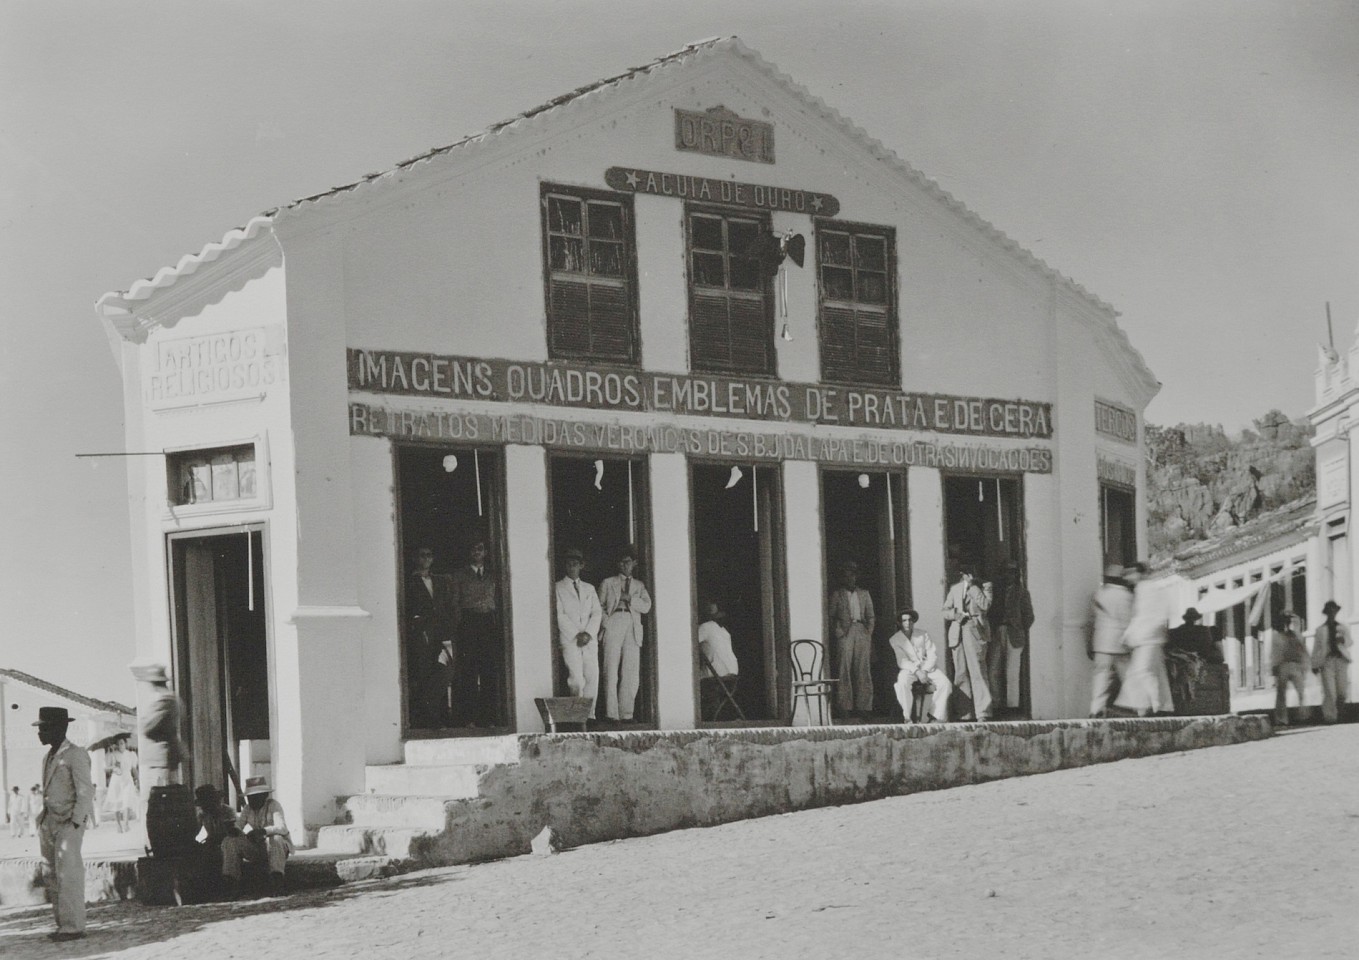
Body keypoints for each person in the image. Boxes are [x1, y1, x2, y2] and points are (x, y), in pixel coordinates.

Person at [33, 706, 93, 942]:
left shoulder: (75, 754)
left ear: (59, 729)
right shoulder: (48, 757)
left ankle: (74, 927)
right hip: (49, 822)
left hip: (69, 822)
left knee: (69, 875)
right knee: (52, 875)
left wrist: (76, 823)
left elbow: (85, 791)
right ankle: (62, 925)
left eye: (44, 729)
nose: (39, 733)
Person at [450, 539, 502, 727]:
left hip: (488, 622)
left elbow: (498, 600)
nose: (477, 552)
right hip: (469, 622)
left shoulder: (492, 575)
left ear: (485, 553)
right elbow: (455, 602)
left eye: (480, 549)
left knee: (489, 670)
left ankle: (489, 718)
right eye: (473, 549)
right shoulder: (460, 575)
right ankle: (469, 718)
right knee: (469, 671)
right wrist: (458, 627)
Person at [598, 546, 653, 723]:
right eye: (621, 562)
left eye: (628, 562)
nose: (625, 565)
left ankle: (627, 713)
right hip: (615, 619)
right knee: (611, 668)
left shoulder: (639, 585)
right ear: (617, 564)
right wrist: (607, 622)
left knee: (630, 670)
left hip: (632, 624)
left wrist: (630, 599)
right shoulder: (608, 582)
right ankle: (611, 713)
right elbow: (599, 606)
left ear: (634, 564)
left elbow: (646, 606)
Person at [406, 545, 455, 728]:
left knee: (444, 670)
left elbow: (447, 606)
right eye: (422, 555)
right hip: (422, 635)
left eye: (429, 555)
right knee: (424, 674)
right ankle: (427, 719)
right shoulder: (410, 582)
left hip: (440, 633)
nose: (426, 559)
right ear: (415, 558)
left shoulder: (440, 581)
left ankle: (440, 715)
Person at [1114, 563, 1172, 716]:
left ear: (1139, 573)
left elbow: (1152, 615)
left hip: (1148, 638)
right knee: (1151, 672)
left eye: (1131, 573)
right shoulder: (1143, 589)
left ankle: (1154, 706)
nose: (1128, 577)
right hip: (1148, 638)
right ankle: (1155, 706)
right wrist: (1128, 636)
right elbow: (1139, 616)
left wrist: (1134, 635)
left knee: (1143, 672)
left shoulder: (1148, 588)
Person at [221, 776, 292, 897]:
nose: (252, 800)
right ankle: (231, 884)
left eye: (256, 796)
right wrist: (234, 830)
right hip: (258, 849)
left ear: (264, 796)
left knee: (275, 838)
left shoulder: (274, 806)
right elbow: (239, 825)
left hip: (277, 849)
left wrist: (264, 831)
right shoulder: (248, 809)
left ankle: (277, 883)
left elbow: (282, 828)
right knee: (230, 841)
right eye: (250, 797)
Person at [554, 547, 602, 719]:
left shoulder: (589, 589)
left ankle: (590, 715)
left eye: (576, 564)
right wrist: (577, 634)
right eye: (569, 564)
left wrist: (588, 633)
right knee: (576, 678)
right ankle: (578, 716)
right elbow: (560, 614)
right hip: (571, 639)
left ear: (581, 566)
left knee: (592, 675)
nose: (572, 567)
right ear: (565, 566)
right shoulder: (558, 587)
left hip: (589, 639)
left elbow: (597, 612)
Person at [943, 566, 992, 721]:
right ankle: (965, 713)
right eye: (966, 574)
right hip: (957, 632)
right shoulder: (955, 589)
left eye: (971, 574)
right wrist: (956, 615)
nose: (968, 576)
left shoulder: (986, 587)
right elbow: (945, 610)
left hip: (975, 631)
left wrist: (973, 588)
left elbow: (985, 606)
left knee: (978, 671)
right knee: (961, 673)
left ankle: (983, 712)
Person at [829, 561, 876, 717]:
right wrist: (838, 631)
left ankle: (864, 707)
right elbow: (831, 615)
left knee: (863, 669)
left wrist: (868, 632)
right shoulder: (838, 594)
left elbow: (870, 615)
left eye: (853, 575)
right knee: (844, 669)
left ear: (857, 577)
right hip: (845, 632)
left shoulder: (864, 593)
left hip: (861, 630)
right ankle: (845, 706)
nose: (851, 578)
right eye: (847, 575)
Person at [888, 609, 952, 723]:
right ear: (899, 623)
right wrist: (917, 671)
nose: (907, 623)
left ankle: (934, 715)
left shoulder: (923, 634)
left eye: (910, 620)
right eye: (904, 620)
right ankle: (907, 717)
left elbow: (932, 654)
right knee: (902, 683)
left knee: (945, 683)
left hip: (927, 667)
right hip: (909, 669)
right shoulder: (895, 639)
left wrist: (926, 670)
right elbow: (902, 660)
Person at [1089, 563, 1133, 717]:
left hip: (1101, 641)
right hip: (1118, 642)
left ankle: (1096, 709)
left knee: (1101, 676)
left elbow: (1093, 619)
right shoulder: (1125, 595)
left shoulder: (1099, 594)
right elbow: (1126, 620)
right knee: (1127, 675)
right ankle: (1134, 706)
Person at [1165, 606, 1225, 713]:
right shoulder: (1204, 631)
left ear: (1185, 619)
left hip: (1184, 657)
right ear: (1196, 619)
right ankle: (1187, 696)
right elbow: (1209, 650)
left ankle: (1183, 698)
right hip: (1194, 657)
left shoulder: (1178, 631)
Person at [136, 663, 186, 786]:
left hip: (162, 758)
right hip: (165, 757)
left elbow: (147, 727)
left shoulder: (165, 700)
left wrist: (144, 719)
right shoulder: (171, 699)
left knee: (161, 794)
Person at [995, 562, 1035, 715]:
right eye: (1006, 572)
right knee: (994, 669)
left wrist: (1019, 627)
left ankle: (1011, 707)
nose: (1008, 575)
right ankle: (997, 704)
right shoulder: (998, 591)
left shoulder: (1022, 593)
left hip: (1014, 633)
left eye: (1011, 572)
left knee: (1012, 671)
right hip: (998, 630)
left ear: (1016, 575)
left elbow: (1029, 616)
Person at [697, 600, 739, 720]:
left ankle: (708, 719)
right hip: (732, 671)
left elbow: (688, 644)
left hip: (716, 674)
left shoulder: (704, 627)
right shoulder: (724, 631)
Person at [1312, 600, 1351, 724]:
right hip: (1327, 661)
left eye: (1334, 611)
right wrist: (1314, 664)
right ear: (1327, 613)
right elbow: (1316, 649)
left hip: (1341, 660)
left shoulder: (1342, 627)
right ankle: (1330, 717)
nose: (1332, 613)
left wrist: (1343, 640)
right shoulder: (1320, 630)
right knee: (1329, 691)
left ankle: (1340, 712)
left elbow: (1350, 642)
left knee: (1342, 691)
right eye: (1330, 611)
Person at [1271, 611, 1310, 726]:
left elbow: (1303, 650)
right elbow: (1274, 653)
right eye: (1285, 620)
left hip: (1295, 665)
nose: (1287, 623)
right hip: (1282, 665)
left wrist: (1305, 664)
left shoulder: (1296, 635)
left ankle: (1304, 715)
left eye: (1288, 620)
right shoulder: (1276, 636)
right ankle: (1281, 719)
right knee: (1281, 693)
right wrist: (1274, 667)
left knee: (1301, 691)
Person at [105, 740, 137, 833]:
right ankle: (118, 825)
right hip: (116, 780)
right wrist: (113, 766)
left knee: (127, 801)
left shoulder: (131, 754)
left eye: (122, 743)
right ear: (116, 745)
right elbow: (106, 768)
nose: (120, 745)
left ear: (126, 744)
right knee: (116, 803)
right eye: (118, 744)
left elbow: (134, 768)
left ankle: (126, 824)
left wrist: (138, 779)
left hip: (127, 779)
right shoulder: (112, 754)